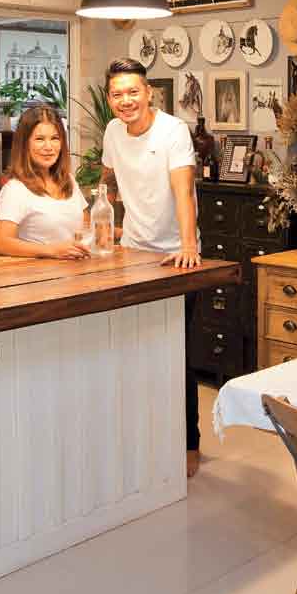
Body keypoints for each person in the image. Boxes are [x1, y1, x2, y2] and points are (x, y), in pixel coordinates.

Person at [100, 58, 202, 477]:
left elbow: (183, 192)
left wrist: (189, 246)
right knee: (131, 351)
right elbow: (107, 179)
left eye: (133, 92)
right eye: (117, 94)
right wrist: (100, 218)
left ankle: (188, 444)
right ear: (110, 99)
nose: (126, 100)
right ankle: (142, 440)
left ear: (148, 93)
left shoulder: (173, 131)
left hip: (174, 256)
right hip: (132, 254)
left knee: (176, 352)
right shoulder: (113, 131)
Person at [0, 105, 90, 260]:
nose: (48, 147)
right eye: (39, 139)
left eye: (55, 138)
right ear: (24, 144)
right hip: (38, 273)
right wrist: (52, 251)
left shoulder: (69, 181)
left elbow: (87, 228)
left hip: (76, 271)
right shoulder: (15, 189)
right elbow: (1, 244)